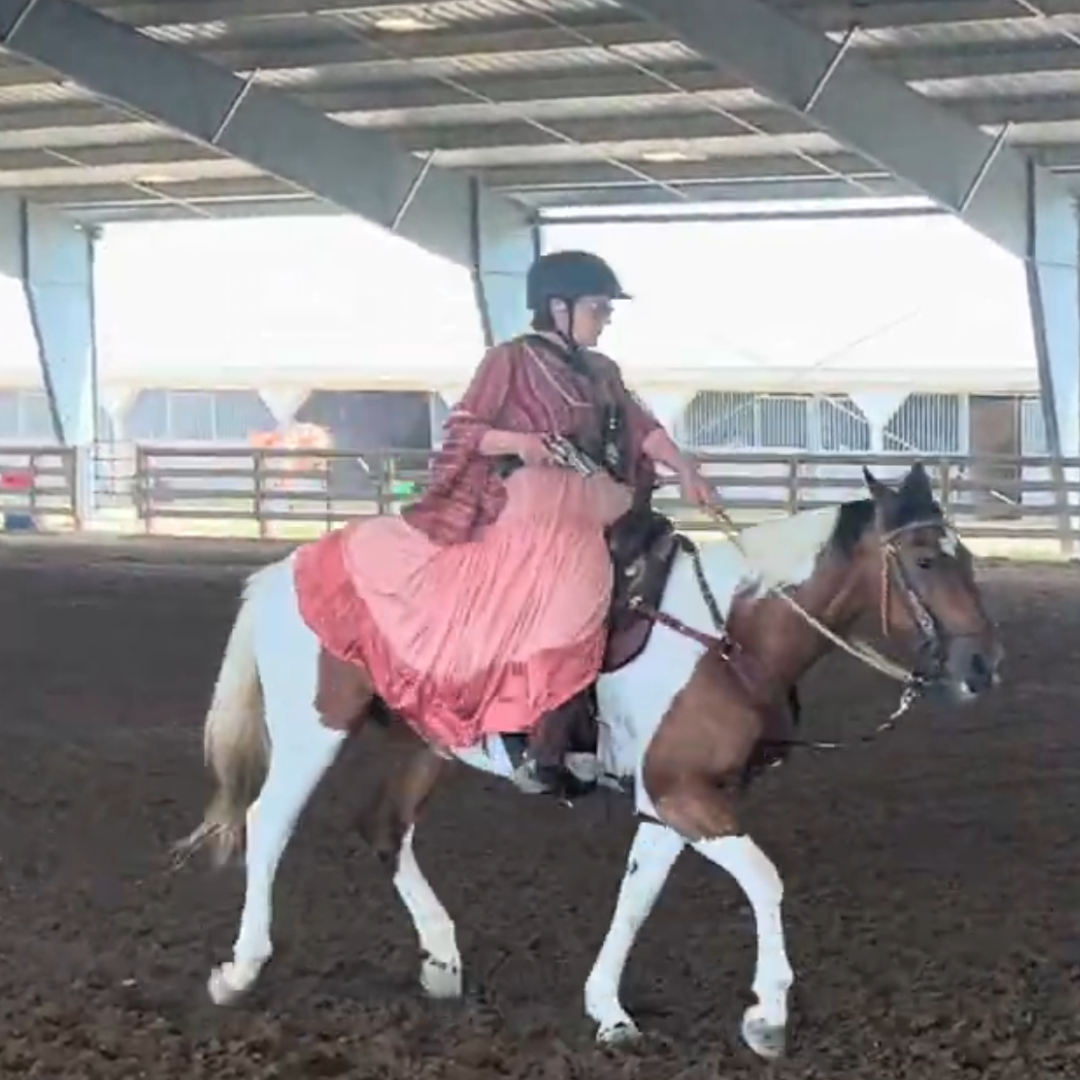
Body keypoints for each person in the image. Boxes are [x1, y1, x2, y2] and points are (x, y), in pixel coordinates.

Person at [295, 250, 721, 793]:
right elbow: (467, 430)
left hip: (601, 498)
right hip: (537, 503)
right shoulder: (510, 361)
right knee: (574, 580)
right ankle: (530, 731)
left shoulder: (602, 371)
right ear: (558, 308)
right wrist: (522, 442)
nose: (605, 318)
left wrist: (685, 470)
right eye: (597, 308)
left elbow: (642, 429)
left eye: (605, 309)